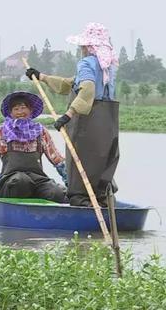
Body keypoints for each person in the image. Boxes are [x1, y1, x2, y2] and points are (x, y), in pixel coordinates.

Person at [26, 22, 119, 207]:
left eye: (82, 45)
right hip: (108, 122)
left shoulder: (86, 63)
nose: (81, 49)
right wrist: (42, 77)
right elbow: (71, 84)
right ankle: (102, 197)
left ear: (87, 46)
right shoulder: (107, 67)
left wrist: (68, 115)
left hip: (88, 121)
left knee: (81, 160)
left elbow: (87, 90)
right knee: (102, 159)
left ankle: (81, 198)